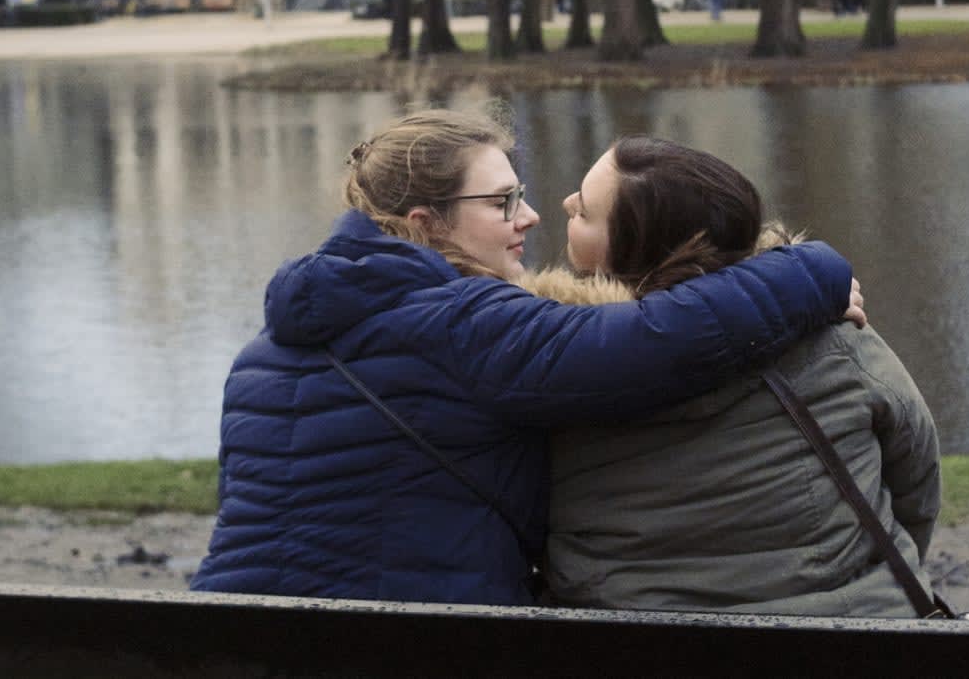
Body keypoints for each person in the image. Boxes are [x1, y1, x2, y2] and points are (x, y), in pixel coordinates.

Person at [190, 109, 863, 606]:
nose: (532, 215)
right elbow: (659, 343)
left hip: (220, 641)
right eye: (502, 201)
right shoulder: (467, 324)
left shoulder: (263, 352)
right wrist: (811, 271)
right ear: (426, 224)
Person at [542, 137, 939, 617]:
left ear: (626, 255)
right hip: (860, 626)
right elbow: (915, 466)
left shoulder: (551, 374)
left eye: (583, 211)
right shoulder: (829, 331)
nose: (566, 203)